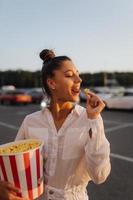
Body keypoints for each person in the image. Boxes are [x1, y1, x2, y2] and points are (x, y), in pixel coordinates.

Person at [0, 49, 111, 200]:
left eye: (78, 74)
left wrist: (94, 119)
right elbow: (12, 164)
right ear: (52, 83)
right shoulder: (30, 121)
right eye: (69, 75)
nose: (79, 80)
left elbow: (100, 176)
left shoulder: (89, 119)